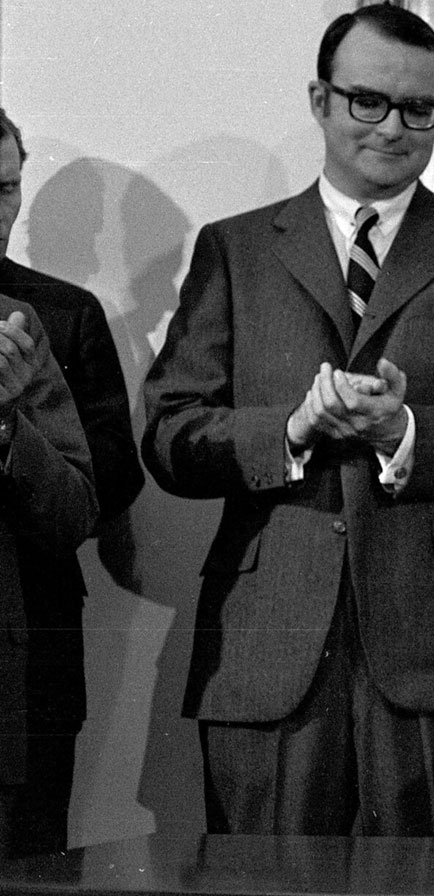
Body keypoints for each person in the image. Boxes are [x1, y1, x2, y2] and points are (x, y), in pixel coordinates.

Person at [140, 4, 434, 837]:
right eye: (367, 100)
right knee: (263, 888)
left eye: (418, 109)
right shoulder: (236, 249)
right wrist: (291, 429)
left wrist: (403, 432)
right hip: (265, 648)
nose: (392, 127)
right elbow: (170, 435)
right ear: (320, 100)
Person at [0, 108, 143, 858]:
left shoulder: (54, 315)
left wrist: (9, 418)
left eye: (6, 188)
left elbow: (112, 481)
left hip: (33, 644)